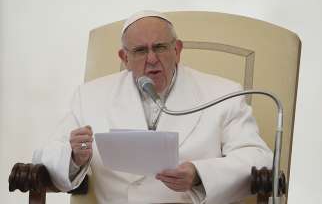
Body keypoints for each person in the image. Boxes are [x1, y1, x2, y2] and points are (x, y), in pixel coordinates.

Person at [34, 10, 272, 204]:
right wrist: (74, 157)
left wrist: (199, 175)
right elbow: (45, 155)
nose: (151, 59)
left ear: (177, 50)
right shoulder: (90, 96)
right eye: (139, 51)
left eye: (159, 47)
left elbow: (258, 158)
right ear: (124, 58)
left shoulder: (224, 93)